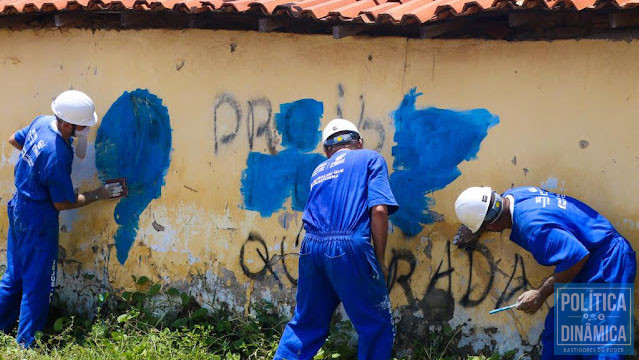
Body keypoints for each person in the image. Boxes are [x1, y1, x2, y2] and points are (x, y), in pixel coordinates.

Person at [0, 90, 124, 347]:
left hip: (18, 207)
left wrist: (36, 164)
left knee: (14, 277)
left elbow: (14, 139)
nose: (86, 129)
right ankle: (26, 345)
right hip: (38, 219)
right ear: (67, 124)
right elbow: (62, 202)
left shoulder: (41, 121)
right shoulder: (57, 156)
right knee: (37, 284)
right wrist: (97, 194)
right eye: (83, 126)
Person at [454, 186, 636, 360]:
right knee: (560, 334)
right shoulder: (514, 195)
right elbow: (490, 208)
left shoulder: (533, 228)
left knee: (599, 338)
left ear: (491, 227)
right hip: (588, 257)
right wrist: (474, 227)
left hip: (608, 260)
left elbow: (576, 258)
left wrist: (539, 294)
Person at [274, 119, 399, 360]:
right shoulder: (370, 159)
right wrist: (380, 259)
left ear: (326, 150)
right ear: (359, 142)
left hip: (311, 247)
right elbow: (380, 211)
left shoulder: (319, 171)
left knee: (306, 323)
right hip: (349, 246)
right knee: (376, 324)